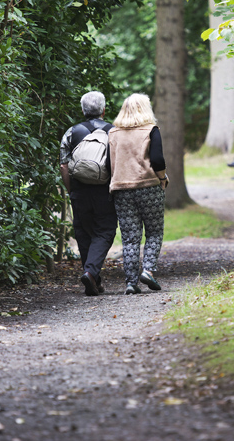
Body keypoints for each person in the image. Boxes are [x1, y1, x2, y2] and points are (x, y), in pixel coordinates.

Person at [108, 93, 168, 295]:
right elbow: (158, 160)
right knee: (154, 232)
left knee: (130, 238)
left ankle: (131, 282)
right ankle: (148, 271)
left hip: (121, 190)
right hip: (148, 187)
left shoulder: (113, 133)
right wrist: (162, 178)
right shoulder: (150, 130)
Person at [59, 91, 118, 296]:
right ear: (103, 110)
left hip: (79, 190)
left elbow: (64, 166)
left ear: (83, 110)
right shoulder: (114, 132)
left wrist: (71, 190)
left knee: (84, 233)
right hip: (105, 190)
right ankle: (91, 274)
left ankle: (92, 275)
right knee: (105, 230)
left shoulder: (71, 132)